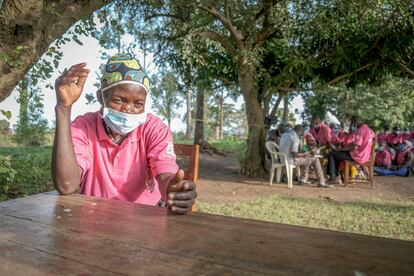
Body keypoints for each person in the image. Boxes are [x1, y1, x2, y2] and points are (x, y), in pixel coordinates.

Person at [51, 54, 197, 214]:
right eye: (119, 100)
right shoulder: (84, 127)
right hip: (93, 218)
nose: (128, 109)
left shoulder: (154, 129)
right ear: (101, 97)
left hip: (144, 220)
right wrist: (63, 108)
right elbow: (67, 185)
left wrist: (172, 189)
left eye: (138, 104)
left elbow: (165, 175)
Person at [327, 116, 374, 185]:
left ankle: (333, 178)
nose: (351, 125)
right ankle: (335, 177)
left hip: (358, 157)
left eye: (352, 123)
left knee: (332, 154)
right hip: (365, 155)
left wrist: (340, 149)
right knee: (336, 153)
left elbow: (353, 147)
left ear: (355, 123)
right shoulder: (369, 130)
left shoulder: (361, 130)